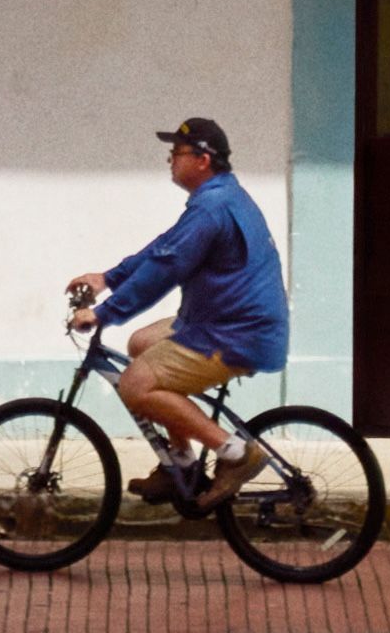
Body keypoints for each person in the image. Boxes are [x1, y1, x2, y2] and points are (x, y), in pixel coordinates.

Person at [68, 115, 290, 507]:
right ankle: (182, 463)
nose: (171, 159)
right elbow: (165, 248)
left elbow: (165, 271)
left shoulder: (212, 209)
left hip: (235, 332)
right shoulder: (217, 197)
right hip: (226, 321)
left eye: (177, 153)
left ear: (203, 160)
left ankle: (237, 453)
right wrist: (108, 277)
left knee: (137, 385)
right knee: (141, 343)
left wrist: (103, 314)